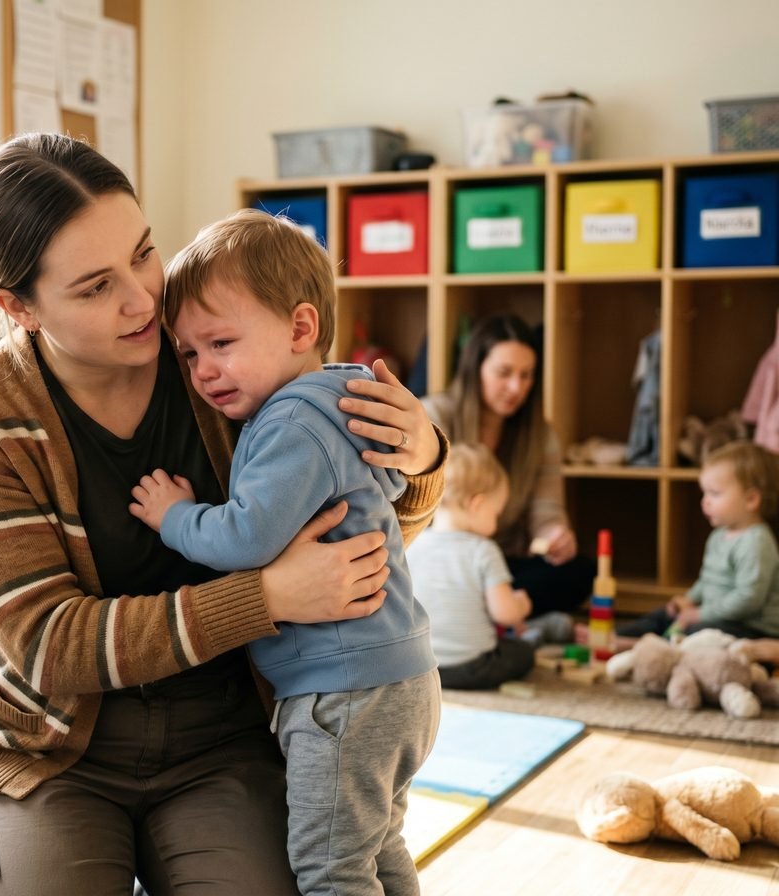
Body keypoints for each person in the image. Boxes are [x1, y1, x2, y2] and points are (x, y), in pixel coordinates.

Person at [0, 133, 447, 896]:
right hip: (48, 745)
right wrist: (265, 598)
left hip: (225, 738)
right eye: (94, 287)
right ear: (19, 307)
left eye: (143, 252)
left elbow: (356, 543)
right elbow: (47, 645)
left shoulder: (219, 351)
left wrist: (425, 458)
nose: (142, 299)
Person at [128, 209, 440, 896]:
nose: (204, 372)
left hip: (342, 691)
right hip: (401, 675)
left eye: (221, 344)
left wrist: (175, 516)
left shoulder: (290, 421)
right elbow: (392, 486)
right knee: (378, 847)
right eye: (189, 354)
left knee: (330, 870)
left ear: (301, 328)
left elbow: (246, 537)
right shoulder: (342, 397)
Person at [420, 313, 594, 616]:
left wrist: (555, 535)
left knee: (580, 571)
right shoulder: (434, 417)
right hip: (441, 560)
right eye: (504, 372)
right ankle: (495, 615)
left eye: (526, 375)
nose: (516, 387)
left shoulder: (540, 436)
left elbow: (547, 513)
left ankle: (486, 613)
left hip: (501, 563)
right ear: (476, 370)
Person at [617, 440, 779, 640]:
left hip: (751, 628)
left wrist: (700, 614)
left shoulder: (756, 542)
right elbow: (706, 581)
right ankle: (618, 638)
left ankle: (650, 648)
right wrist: (689, 600)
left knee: (695, 631)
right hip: (717, 616)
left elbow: (748, 600)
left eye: (715, 493)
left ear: (751, 500)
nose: (705, 501)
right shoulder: (719, 536)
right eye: (704, 493)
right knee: (664, 615)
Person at [406, 442, 537, 689]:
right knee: (523, 652)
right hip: (472, 668)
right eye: (496, 513)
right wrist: (521, 603)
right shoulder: (483, 550)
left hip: (420, 667)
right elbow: (506, 614)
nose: (496, 524)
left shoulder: (415, 543)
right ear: (477, 505)